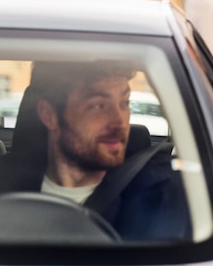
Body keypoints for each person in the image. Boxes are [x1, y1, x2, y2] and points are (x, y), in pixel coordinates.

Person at [26, 61, 191, 240]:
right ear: (49, 115)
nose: (119, 122)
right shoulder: (0, 191)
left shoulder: (164, 197)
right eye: (98, 106)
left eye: (125, 103)